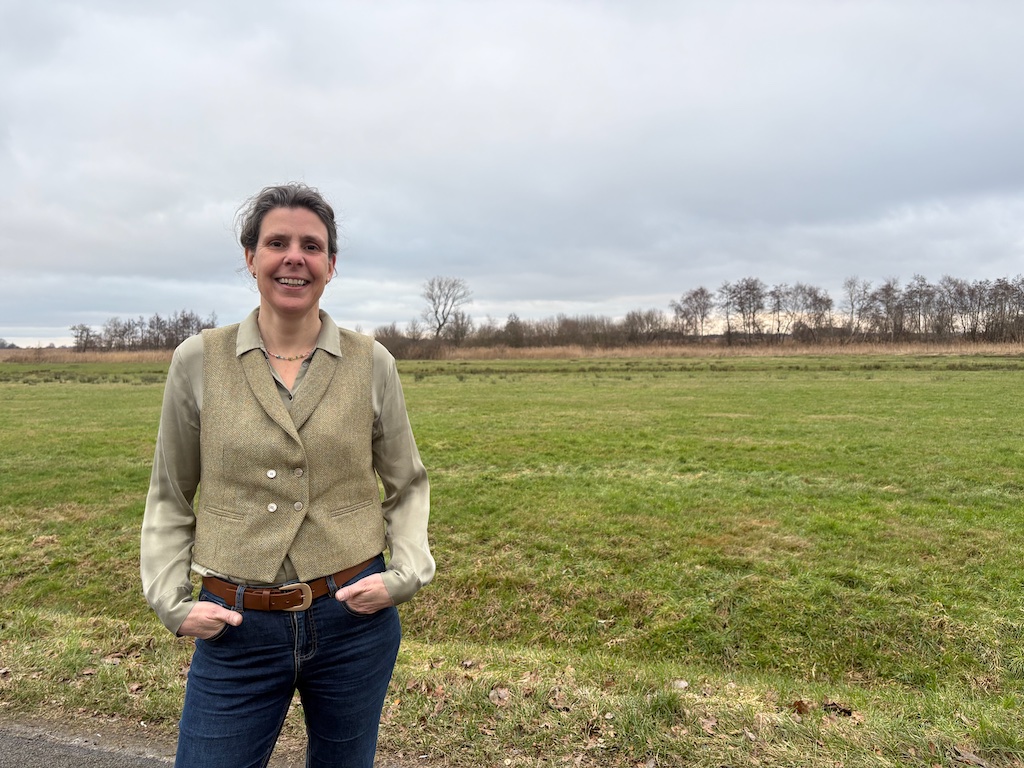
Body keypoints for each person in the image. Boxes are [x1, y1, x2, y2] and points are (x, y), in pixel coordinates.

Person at [140, 183, 434, 768]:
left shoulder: (372, 362)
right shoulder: (198, 360)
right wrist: (171, 602)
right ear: (251, 258)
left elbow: (407, 485)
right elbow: (170, 495)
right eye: (277, 242)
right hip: (236, 628)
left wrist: (404, 575)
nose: (294, 257)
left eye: (312, 245)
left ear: (331, 265)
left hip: (353, 620)